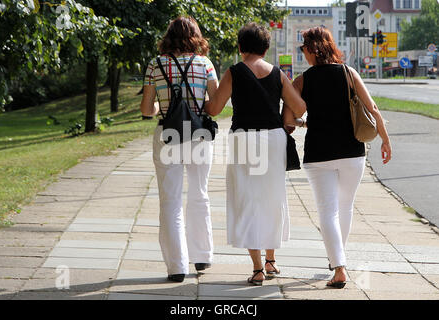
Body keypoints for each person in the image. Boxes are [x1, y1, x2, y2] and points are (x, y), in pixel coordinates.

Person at [205, 22, 306, 285]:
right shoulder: (277, 74)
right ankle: (271, 261)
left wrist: (199, 100)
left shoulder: (234, 72)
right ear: (265, 48)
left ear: (240, 47)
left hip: (244, 139)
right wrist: (286, 117)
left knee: (247, 199)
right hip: (273, 139)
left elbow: (215, 108)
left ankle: (258, 268)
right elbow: (299, 105)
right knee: (272, 197)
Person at [291, 27, 392, 288]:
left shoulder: (302, 81)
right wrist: (385, 139)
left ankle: (339, 266)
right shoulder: (349, 73)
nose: (302, 52)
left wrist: (303, 123)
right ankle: (339, 260)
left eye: (303, 47)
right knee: (345, 206)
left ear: (312, 49)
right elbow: (373, 108)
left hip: (318, 154)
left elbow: (288, 119)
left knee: (327, 210)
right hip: (352, 152)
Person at [140, 16, 218, 282]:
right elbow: (214, 105)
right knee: (200, 194)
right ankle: (203, 256)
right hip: (198, 136)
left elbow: (146, 110)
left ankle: (176, 266)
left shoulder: (155, 65)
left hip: (168, 135)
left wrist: (164, 104)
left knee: (170, 202)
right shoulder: (205, 64)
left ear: (168, 36)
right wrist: (194, 103)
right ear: (195, 36)